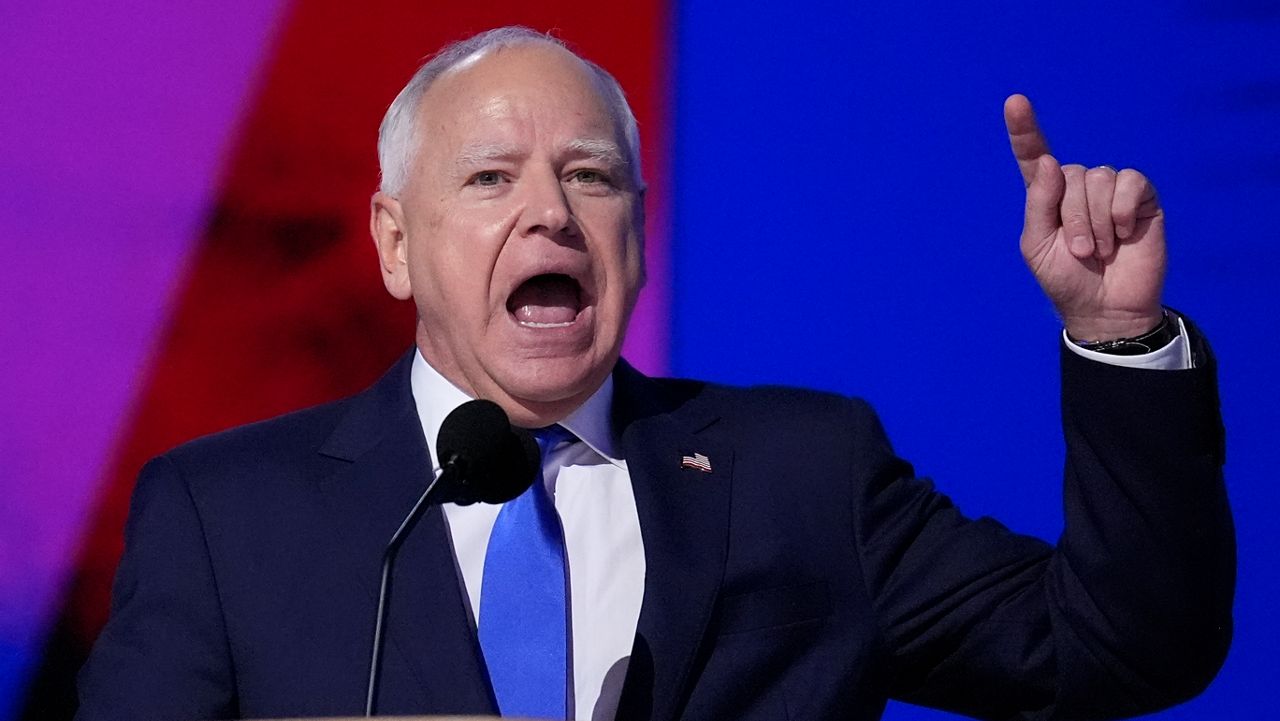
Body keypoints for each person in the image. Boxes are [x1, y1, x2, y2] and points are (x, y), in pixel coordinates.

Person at [76, 26, 1233, 721]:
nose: (550, 213)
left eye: (588, 177)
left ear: (637, 225)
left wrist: (1119, 338)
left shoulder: (802, 473)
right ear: (391, 239)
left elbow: (1119, 650)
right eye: (488, 180)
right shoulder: (225, 516)